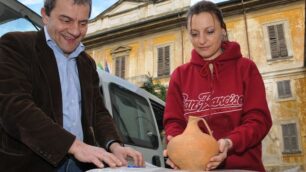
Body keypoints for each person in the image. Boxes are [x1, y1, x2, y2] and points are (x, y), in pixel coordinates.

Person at [0, 0, 144, 171]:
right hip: (31, 164)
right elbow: (14, 107)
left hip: (81, 165)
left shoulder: (87, 63)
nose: (75, 31)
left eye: (83, 23)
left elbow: (98, 112)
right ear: (45, 16)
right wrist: (74, 146)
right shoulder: (15, 45)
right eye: (66, 20)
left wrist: (114, 145)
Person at [163, 0, 272, 171]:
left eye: (210, 31)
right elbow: (173, 122)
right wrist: (177, 151)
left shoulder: (245, 68)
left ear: (223, 31)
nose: (202, 40)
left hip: (242, 167)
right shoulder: (179, 75)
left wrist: (229, 143)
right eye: (194, 34)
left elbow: (258, 120)